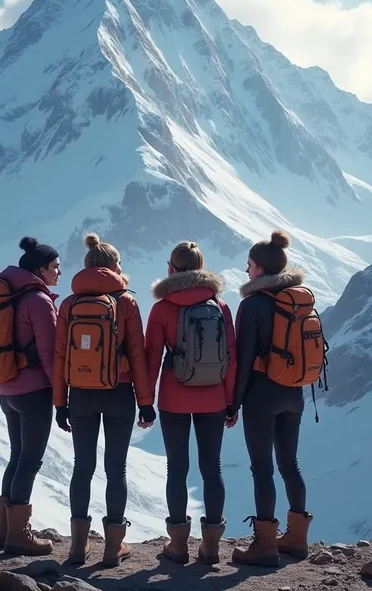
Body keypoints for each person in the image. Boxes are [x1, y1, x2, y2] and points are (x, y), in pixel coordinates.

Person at [53, 233, 156, 568]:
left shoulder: (68, 304)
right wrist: (145, 401)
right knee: (116, 468)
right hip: (119, 394)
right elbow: (137, 355)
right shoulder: (126, 302)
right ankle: (112, 550)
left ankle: (76, 549)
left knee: (82, 467)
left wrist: (60, 403)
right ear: (114, 267)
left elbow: (59, 358)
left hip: (80, 395)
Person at [145, 241, 237, 566]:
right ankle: (211, 547)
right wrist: (231, 403)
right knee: (212, 467)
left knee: (177, 469)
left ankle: (178, 545)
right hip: (213, 397)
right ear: (201, 270)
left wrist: (145, 402)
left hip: (174, 397)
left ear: (170, 268)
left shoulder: (162, 308)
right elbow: (231, 357)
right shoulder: (220, 306)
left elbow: (152, 359)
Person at [231, 230, 313, 567]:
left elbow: (243, 359)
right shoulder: (296, 301)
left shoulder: (252, 305)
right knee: (290, 465)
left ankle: (264, 547)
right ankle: (296, 539)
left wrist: (233, 404)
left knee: (262, 469)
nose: (246, 269)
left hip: (261, 395)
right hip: (294, 393)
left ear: (261, 268)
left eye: (249, 264)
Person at [0, 236, 61, 556]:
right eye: (55, 268)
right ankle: (19, 536)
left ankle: (4, 532)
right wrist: (61, 397)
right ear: (40, 270)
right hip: (33, 392)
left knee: (16, 456)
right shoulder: (38, 300)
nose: (59, 273)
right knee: (29, 461)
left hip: (6, 389)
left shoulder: (7, 293)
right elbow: (50, 355)